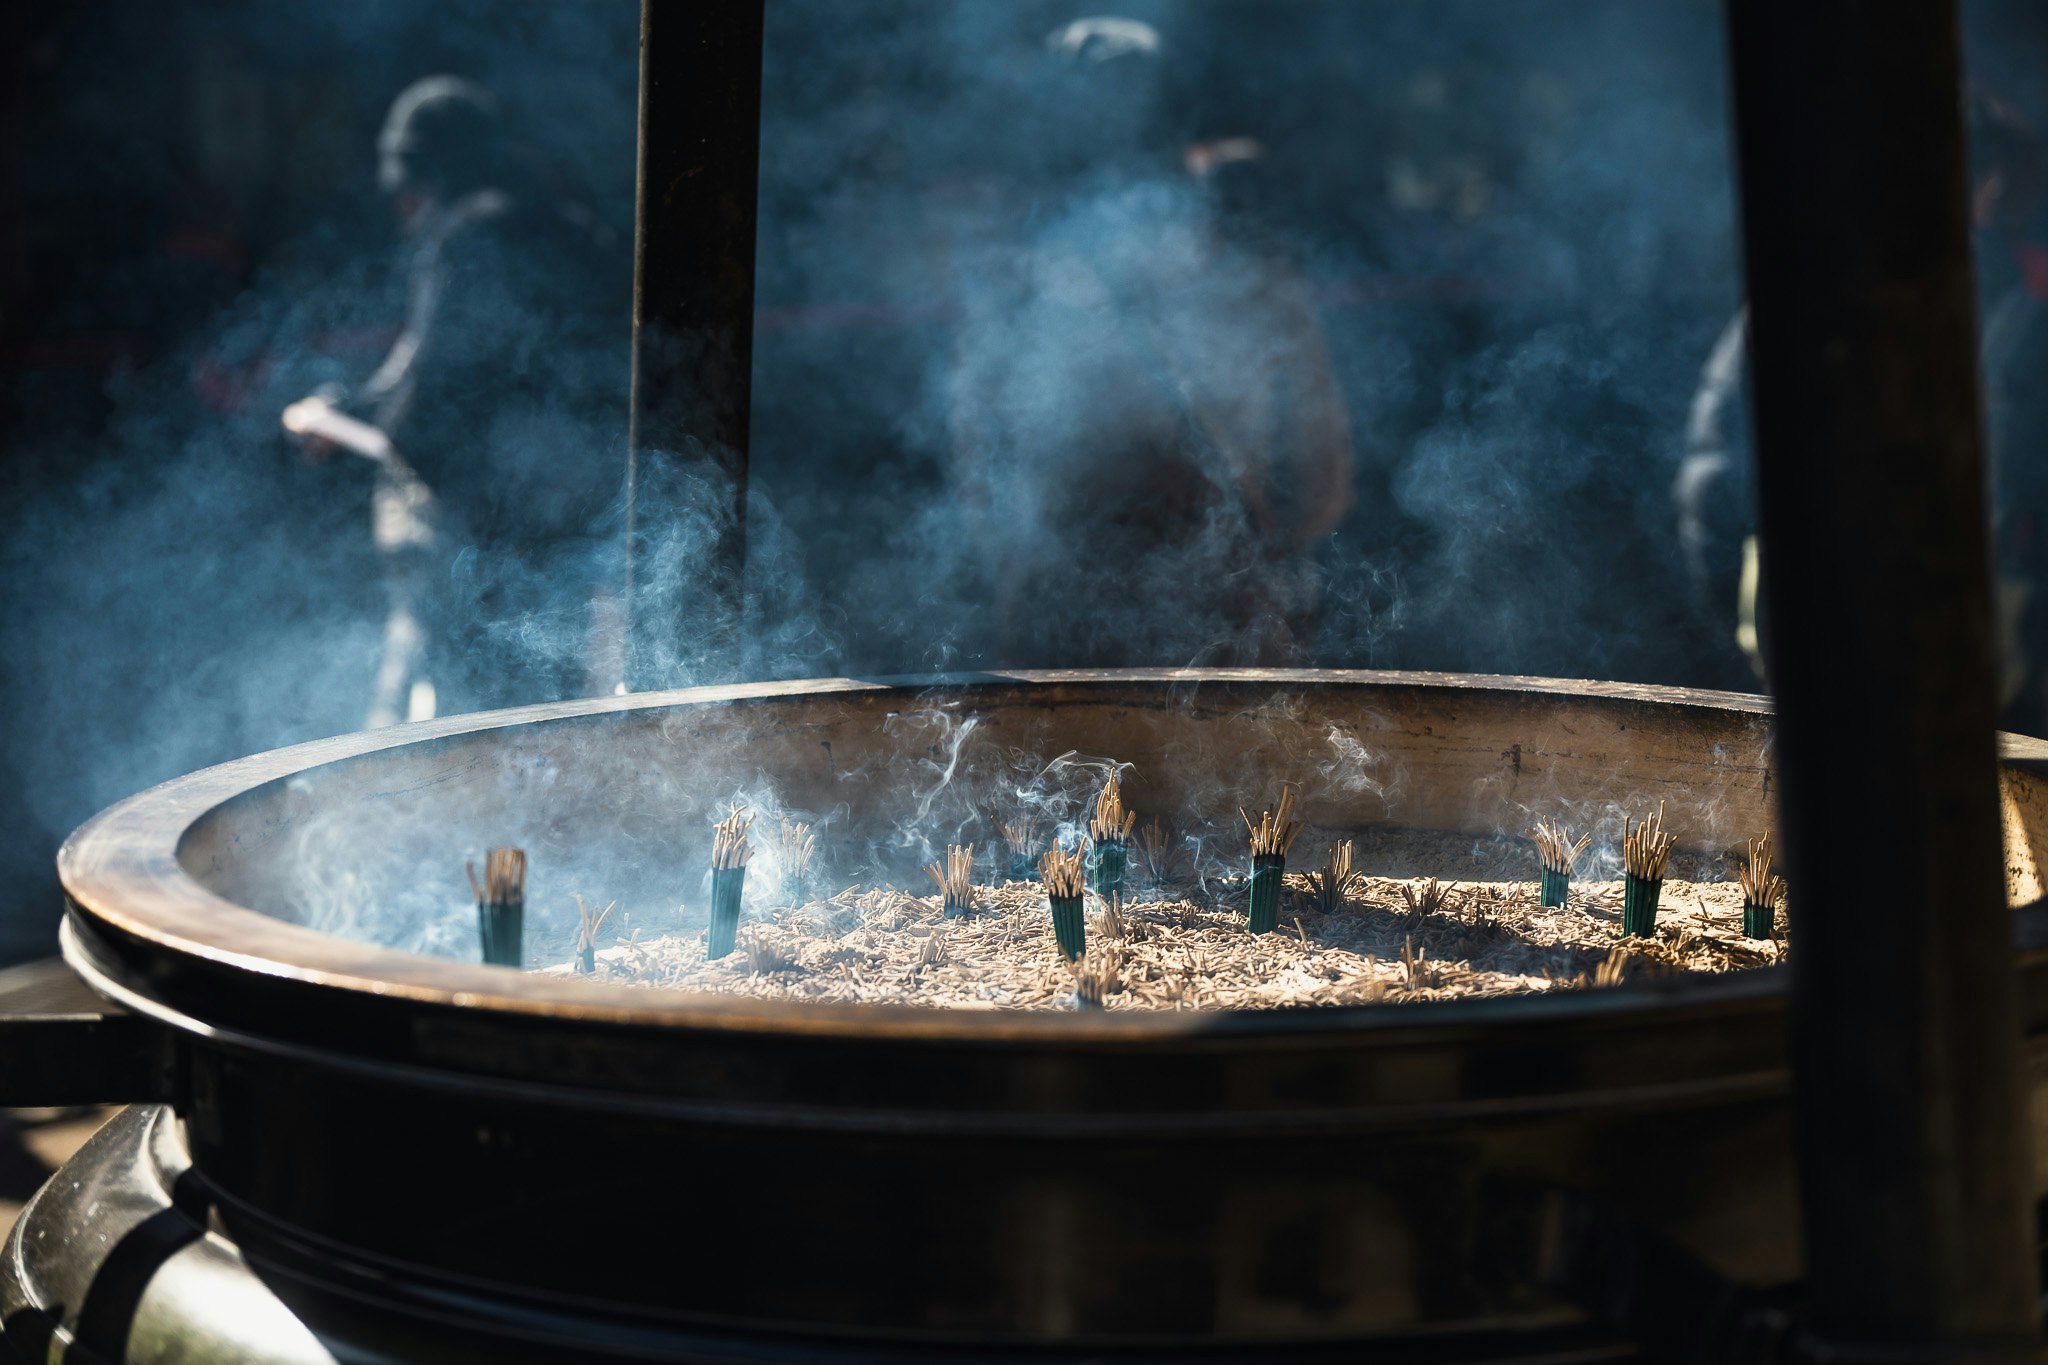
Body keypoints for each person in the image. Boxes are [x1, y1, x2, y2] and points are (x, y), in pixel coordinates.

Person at [943, 18, 1353, 668]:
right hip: (1221, 620)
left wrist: (1021, 569)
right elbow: (1323, 473)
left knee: (1060, 773)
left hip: (1062, 619)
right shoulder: (1252, 271)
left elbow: (977, 470)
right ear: (1182, 130)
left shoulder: (1015, 278)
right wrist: (1273, 560)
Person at [1673, 88, 2048, 725]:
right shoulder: (1802, 292)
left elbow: (1716, 471)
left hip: (1963, 659)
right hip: (1873, 650)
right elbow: (1720, 469)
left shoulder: (2021, 305)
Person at [285, 76, 628, 725]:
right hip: (569, 539)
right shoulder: (569, 228)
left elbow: (430, 410)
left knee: (444, 740)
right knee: (550, 727)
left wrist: (335, 423)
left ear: (422, 178)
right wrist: (350, 407)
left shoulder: (469, 240)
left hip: (476, 544)